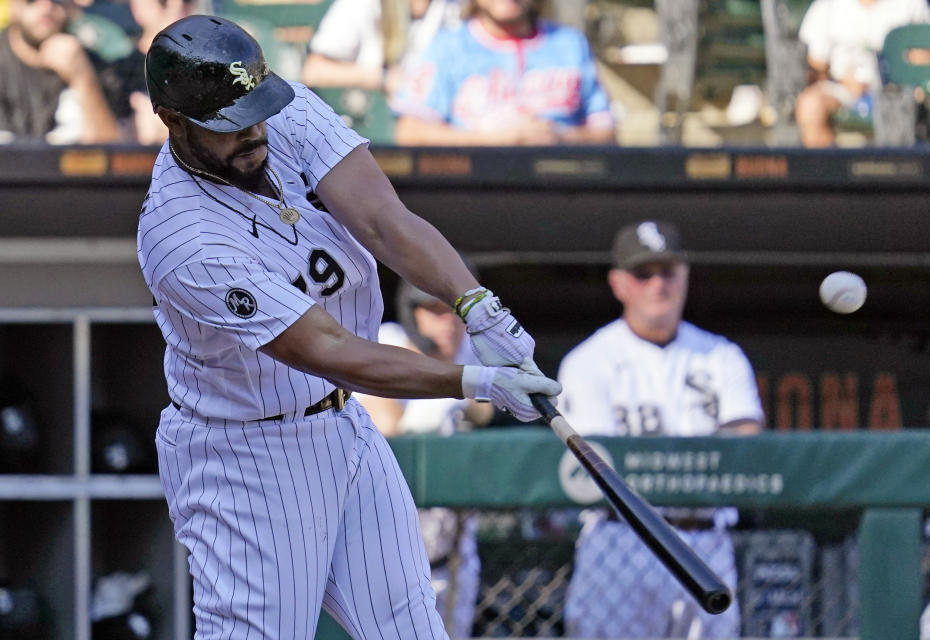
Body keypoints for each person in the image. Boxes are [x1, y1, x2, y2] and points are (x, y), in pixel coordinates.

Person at [137, 14, 560, 640]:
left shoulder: (279, 111)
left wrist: (477, 306)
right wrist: (473, 379)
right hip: (243, 454)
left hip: (342, 427)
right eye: (229, 124)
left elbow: (383, 219)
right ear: (173, 120)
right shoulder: (181, 237)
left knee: (412, 629)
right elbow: (326, 348)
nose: (255, 132)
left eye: (257, 109)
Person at [558, 220, 764, 639]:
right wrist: (700, 461)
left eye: (667, 271)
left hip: (705, 539)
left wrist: (660, 464)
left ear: (685, 275)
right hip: (621, 541)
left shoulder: (722, 356)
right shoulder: (588, 360)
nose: (658, 285)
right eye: (643, 273)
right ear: (618, 283)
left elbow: (746, 441)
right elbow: (604, 467)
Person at [356, 279, 491, 638]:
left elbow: (487, 412)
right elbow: (386, 422)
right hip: (383, 560)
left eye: (454, 313)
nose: (447, 323)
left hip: (452, 556)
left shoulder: (468, 356)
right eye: (434, 312)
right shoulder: (388, 341)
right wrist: (447, 393)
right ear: (412, 313)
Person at [390, 0, 616, 146]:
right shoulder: (447, 47)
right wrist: (498, 139)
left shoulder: (570, 43)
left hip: (562, 190)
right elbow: (410, 132)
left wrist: (558, 136)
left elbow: (606, 132)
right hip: (478, 189)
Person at [795, 0, 930, 147]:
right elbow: (816, 67)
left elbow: (924, 56)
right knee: (810, 106)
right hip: (844, 89)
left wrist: (904, 85)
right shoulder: (827, 5)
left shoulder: (911, 3)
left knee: (911, 104)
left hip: (898, 91)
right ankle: (827, 168)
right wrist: (842, 80)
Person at [0, 0, 120, 143]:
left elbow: (110, 152)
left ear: (72, 7)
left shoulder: (94, 65)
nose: (46, 6)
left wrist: (83, 78)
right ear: (15, 6)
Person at [300, 0, 462, 96]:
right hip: (370, 123)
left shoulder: (455, 7)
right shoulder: (361, 4)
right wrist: (382, 78)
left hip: (432, 121)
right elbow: (314, 71)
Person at [96, 0, 195, 144]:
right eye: (164, 2)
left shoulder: (211, 73)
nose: (178, 10)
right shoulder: (115, 77)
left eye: (187, 1)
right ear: (138, 5)